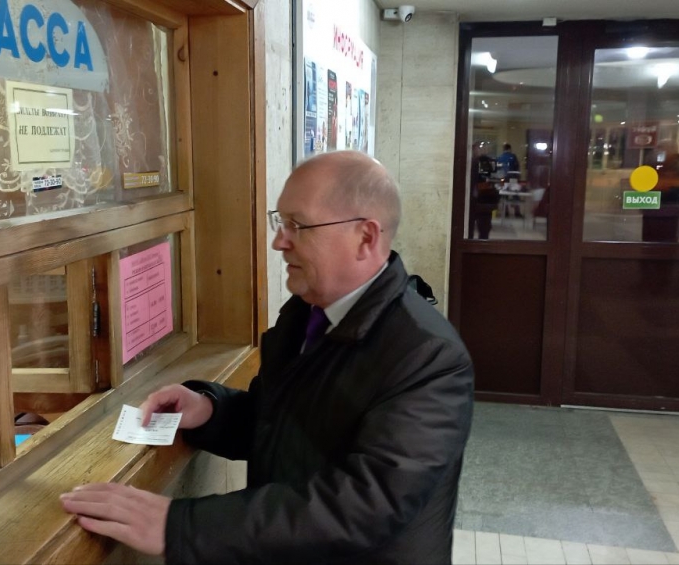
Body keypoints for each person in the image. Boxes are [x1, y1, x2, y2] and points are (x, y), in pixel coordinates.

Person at [60, 150, 475, 564]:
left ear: (365, 237)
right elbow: (282, 426)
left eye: (298, 225)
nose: (279, 241)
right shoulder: (306, 312)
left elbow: (365, 507)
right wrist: (210, 411)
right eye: (281, 222)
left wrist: (180, 526)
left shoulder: (428, 357)